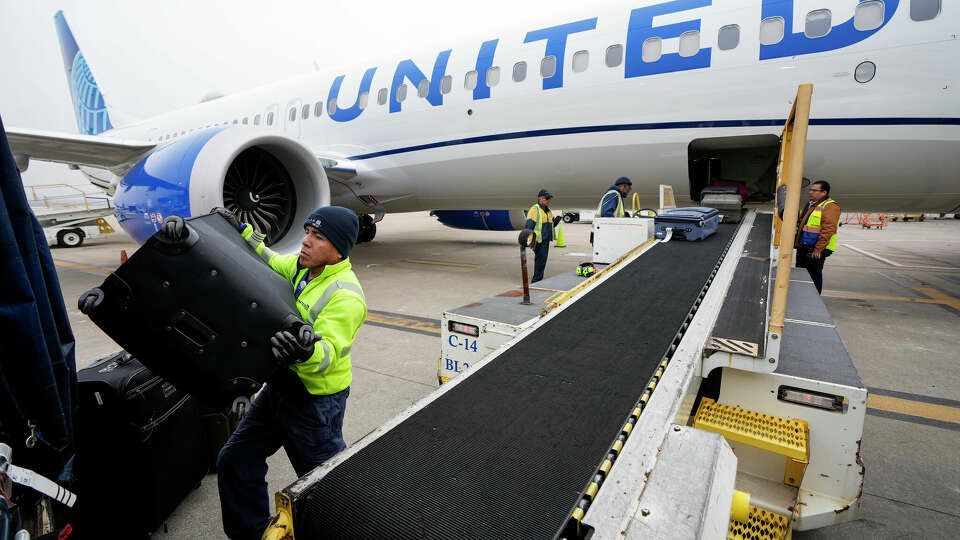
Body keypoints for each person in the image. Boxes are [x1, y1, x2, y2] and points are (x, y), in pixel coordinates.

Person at [170, 206, 368, 540]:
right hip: (279, 388)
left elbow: (330, 352)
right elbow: (266, 258)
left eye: (318, 237)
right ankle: (250, 533)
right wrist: (234, 230)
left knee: (324, 486)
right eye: (307, 232)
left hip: (314, 403)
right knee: (235, 460)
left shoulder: (346, 296)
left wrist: (306, 351)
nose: (306, 241)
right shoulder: (300, 268)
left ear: (338, 251)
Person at [795, 180, 840, 294]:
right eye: (810, 190)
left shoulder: (830, 207)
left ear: (824, 192)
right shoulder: (810, 204)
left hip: (817, 249)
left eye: (814, 190)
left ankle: (812, 300)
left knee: (813, 277)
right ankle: (801, 297)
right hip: (804, 246)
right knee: (800, 274)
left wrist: (819, 249)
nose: (810, 192)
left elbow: (828, 229)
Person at [523, 189, 562, 283]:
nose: (548, 200)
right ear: (540, 199)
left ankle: (538, 278)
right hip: (538, 241)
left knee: (542, 260)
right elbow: (529, 226)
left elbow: (550, 225)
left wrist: (555, 221)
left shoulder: (548, 211)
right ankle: (536, 280)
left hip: (546, 240)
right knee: (540, 260)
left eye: (549, 198)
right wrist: (529, 241)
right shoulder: (534, 210)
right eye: (547, 198)